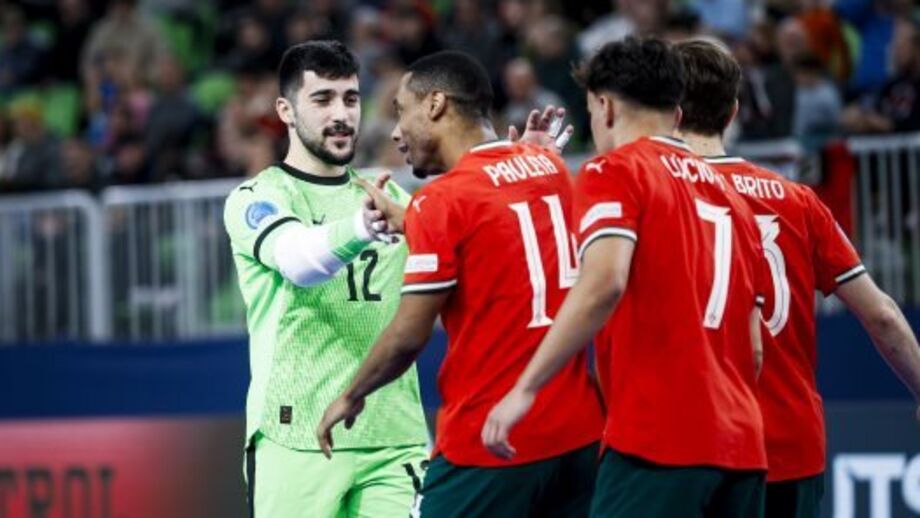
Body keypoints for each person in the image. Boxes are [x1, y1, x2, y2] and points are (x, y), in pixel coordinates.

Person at [482, 37, 770, 517]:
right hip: (741, 448)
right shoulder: (732, 197)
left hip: (658, 445)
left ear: (605, 105)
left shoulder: (614, 171)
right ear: (677, 114)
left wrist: (525, 388)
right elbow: (754, 346)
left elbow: (603, 284)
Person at [316, 50, 603, 517]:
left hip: (490, 440)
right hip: (578, 437)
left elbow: (408, 337)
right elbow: (496, 239)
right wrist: (415, 220)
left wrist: (352, 394)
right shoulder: (549, 167)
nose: (395, 132)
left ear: (434, 105)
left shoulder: (442, 200)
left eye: (400, 110)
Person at [673, 38, 920, 518]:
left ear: (671, 112)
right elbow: (883, 315)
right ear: (733, 112)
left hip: (700, 447)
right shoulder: (797, 200)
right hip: (792, 444)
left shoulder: (658, 195)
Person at [222, 40, 428, 518]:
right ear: (286, 111)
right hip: (295, 441)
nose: (341, 114)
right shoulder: (260, 196)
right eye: (323, 99)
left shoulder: (391, 194)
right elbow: (297, 260)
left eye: (351, 99)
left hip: (393, 439)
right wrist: (362, 227)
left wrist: (516, 171)